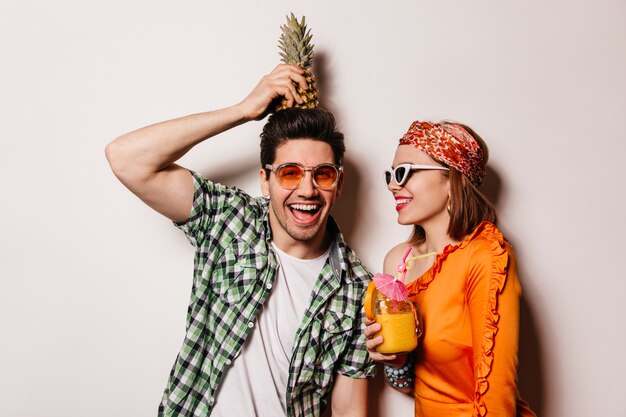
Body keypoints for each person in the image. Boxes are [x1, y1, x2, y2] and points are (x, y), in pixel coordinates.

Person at [105, 64, 374, 417]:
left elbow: (348, 411)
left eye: (322, 175)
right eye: (290, 173)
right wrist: (242, 111)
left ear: (338, 185)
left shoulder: (358, 289)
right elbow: (126, 158)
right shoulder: (230, 220)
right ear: (265, 181)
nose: (307, 190)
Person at [364, 120, 536, 416]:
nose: (393, 185)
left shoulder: (486, 256)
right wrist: (395, 362)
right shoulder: (399, 264)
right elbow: (412, 385)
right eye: (390, 175)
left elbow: (497, 393)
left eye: (404, 172)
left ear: (451, 178)